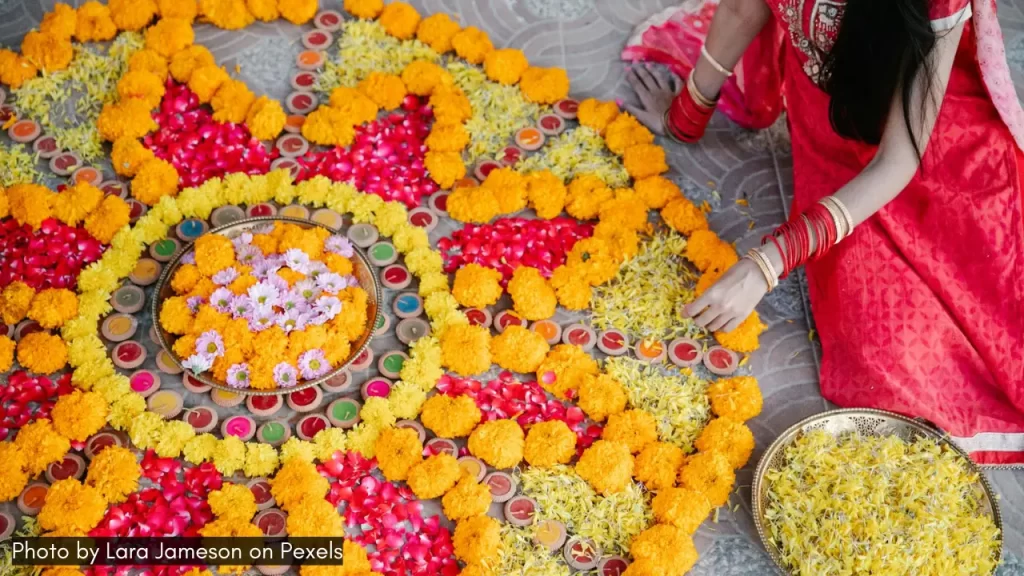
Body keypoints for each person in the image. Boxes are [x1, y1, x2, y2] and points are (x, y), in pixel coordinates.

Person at [624, 0, 1024, 465]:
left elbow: (897, 161)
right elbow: (741, 8)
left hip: (930, 141)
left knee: (977, 322)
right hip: (831, 124)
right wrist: (686, 117)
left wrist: (764, 266)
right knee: (875, 346)